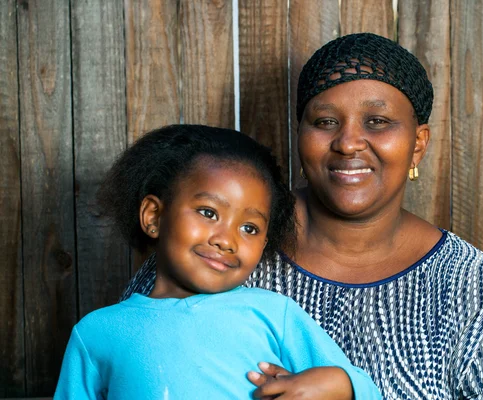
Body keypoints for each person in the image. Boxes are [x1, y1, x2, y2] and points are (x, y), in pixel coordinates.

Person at [122, 33, 483, 399]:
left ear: (419, 143)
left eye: (378, 121)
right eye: (326, 122)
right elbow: (132, 361)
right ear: (301, 135)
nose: (348, 143)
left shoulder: (471, 288)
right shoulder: (221, 247)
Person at [54, 124, 382, 399]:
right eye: (209, 213)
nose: (227, 240)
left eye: (249, 228)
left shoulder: (272, 314)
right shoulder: (96, 334)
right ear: (154, 216)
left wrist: (341, 385)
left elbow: (367, 391)